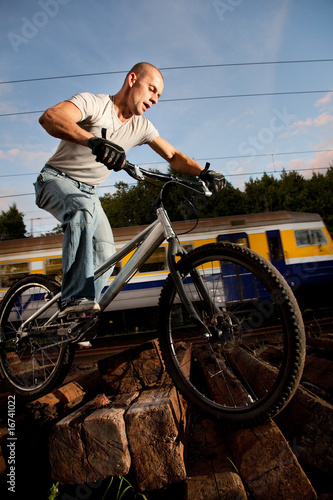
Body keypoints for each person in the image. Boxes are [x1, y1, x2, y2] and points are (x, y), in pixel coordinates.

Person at [36, 62, 225, 318]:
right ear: (132, 79)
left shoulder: (142, 126)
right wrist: (93, 141)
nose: (155, 99)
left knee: (105, 252)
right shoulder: (94, 104)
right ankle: (74, 299)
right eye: (152, 89)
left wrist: (203, 172)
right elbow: (49, 117)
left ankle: (77, 320)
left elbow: (173, 155)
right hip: (54, 180)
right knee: (80, 210)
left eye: (159, 95)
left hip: (89, 193)